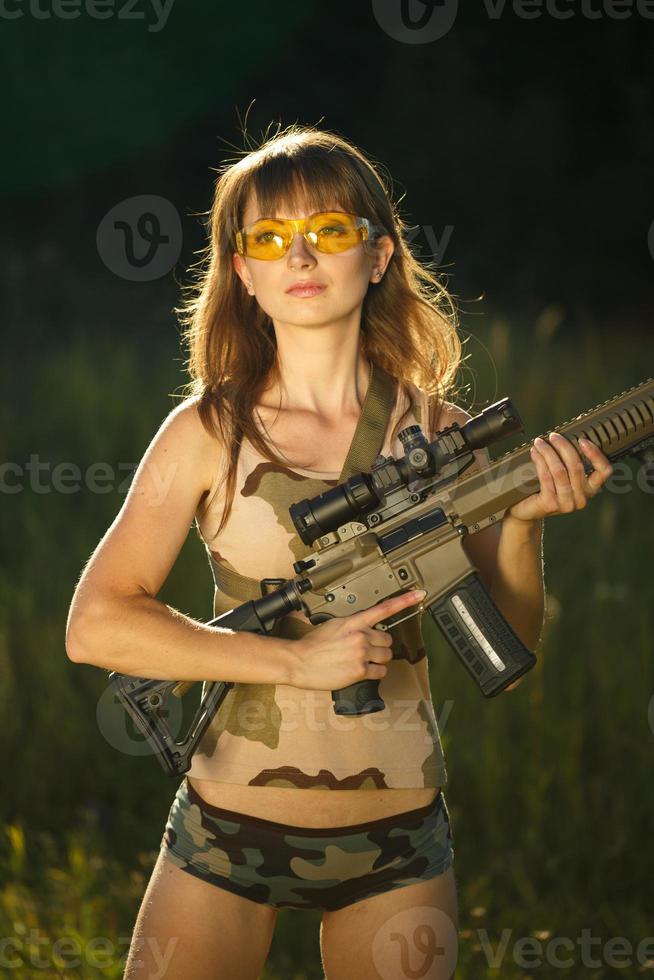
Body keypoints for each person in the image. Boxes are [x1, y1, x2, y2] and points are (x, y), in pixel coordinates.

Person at [65, 124, 613, 980]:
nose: (301, 255)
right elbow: (96, 625)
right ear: (241, 272)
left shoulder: (446, 435)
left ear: (382, 253)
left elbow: (511, 643)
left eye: (328, 230)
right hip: (227, 830)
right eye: (269, 238)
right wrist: (292, 664)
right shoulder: (208, 432)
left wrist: (525, 521)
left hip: (398, 841)